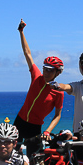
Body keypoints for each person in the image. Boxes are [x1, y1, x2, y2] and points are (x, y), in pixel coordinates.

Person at [15, 20, 64, 157]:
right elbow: (27, 53)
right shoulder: (36, 76)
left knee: (34, 159)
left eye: (51, 70)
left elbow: (58, 115)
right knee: (12, 154)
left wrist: (48, 131)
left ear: (57, 73)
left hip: (35, 128)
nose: (47, 73)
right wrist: (21, 32)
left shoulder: (58, 92)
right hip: (19, 121)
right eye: (45, 69)